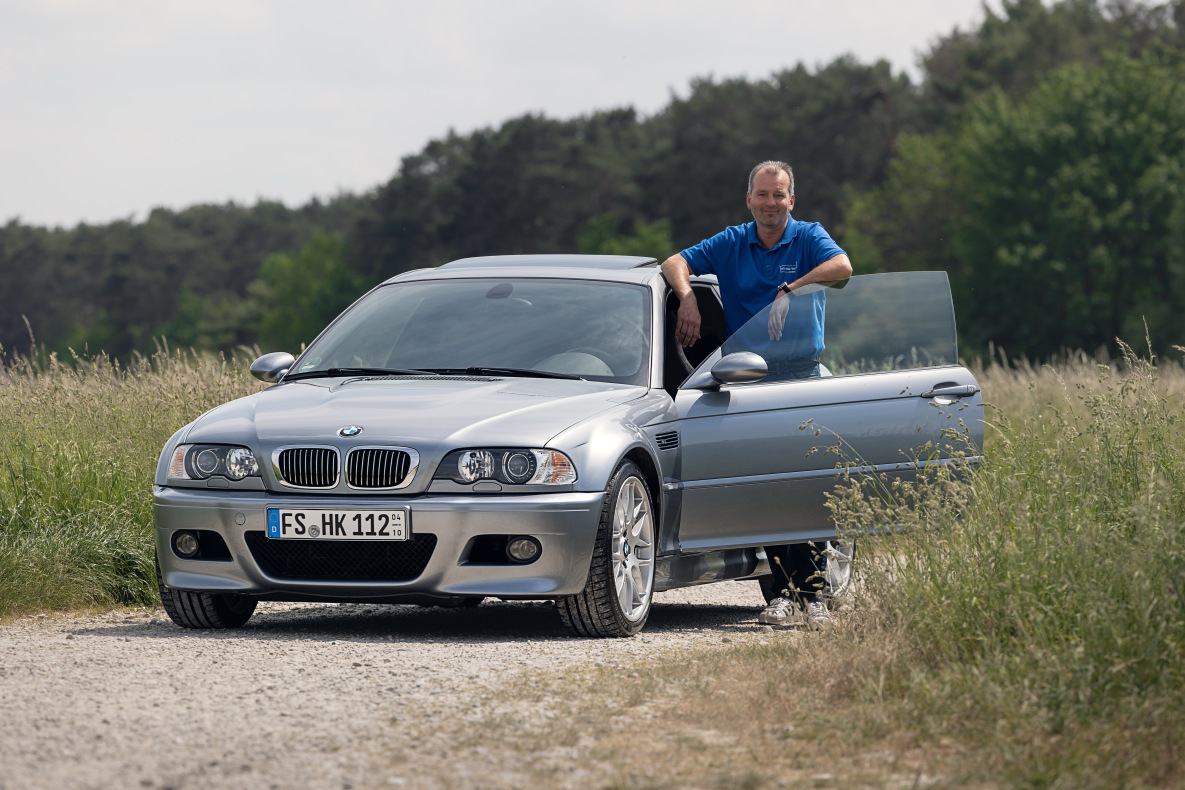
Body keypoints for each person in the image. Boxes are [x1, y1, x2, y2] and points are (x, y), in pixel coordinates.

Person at [660, 160, 853, 627]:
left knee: (808, 481)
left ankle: (816, 595)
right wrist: (687, 296)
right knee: (770, 483)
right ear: (749, 200)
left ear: (792, 201)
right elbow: (674, 262)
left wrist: (792, 288)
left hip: (804, 375)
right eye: (762, 195)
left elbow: (843, 268)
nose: (770, 204)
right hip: (752, 379)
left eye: (779, 195)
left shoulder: (808, 237)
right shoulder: (731, 241)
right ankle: (786, 596)